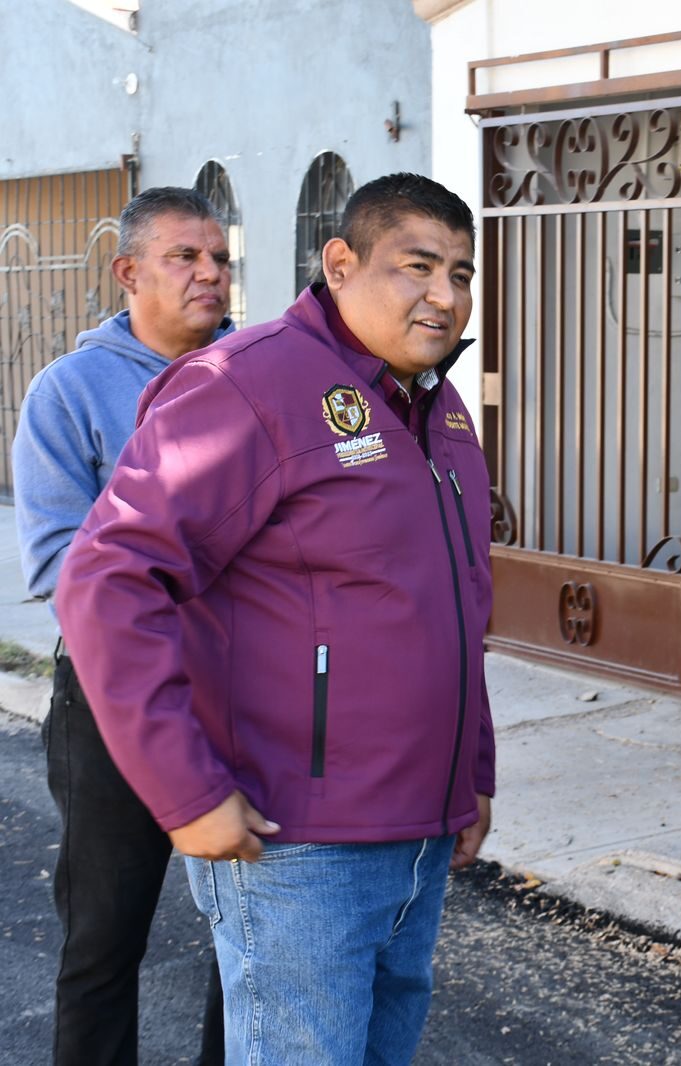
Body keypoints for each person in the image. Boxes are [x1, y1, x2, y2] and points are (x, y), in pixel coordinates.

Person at [54, 173, 495, 1064]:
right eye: (417, 267)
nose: (445, 296)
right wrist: (184, 789)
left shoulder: (436, 406)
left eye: (460, 273)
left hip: (419, 831)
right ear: (340, 264)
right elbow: (108, 578)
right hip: (302, 845)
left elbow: (454, 602)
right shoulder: (246, 384)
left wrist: (472, 772)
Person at [11, 185, 232, 1066]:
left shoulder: (260, 373)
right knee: (104, 940)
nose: (210, 273)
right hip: (113, 701)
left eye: (219, 258)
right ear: (129, 272)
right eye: (186, 257)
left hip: (247, 691)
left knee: (252, 937)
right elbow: (59, 565)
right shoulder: (69, 392)